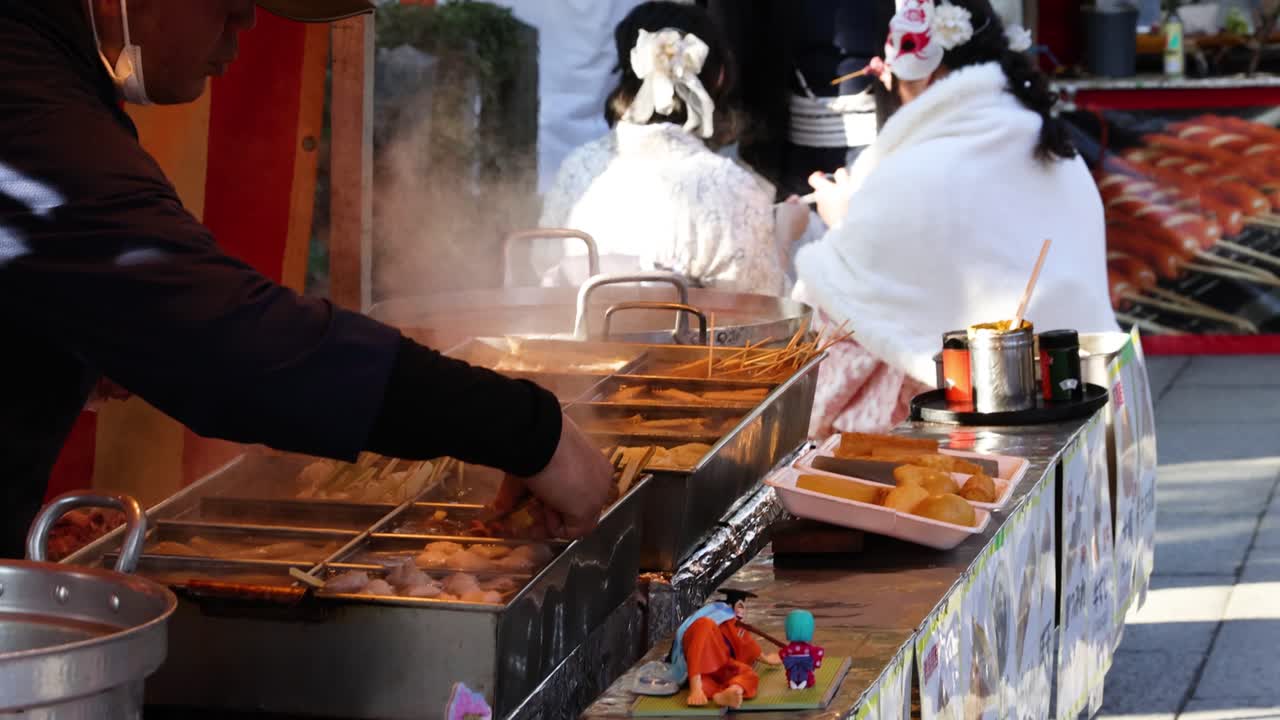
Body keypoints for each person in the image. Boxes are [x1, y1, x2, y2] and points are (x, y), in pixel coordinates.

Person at [0, 0, 614, 559]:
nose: (246, 26)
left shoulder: (51, 69)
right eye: (230, 4)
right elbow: (229, 345)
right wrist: (526, 429)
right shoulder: (27, 104)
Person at [794, 0, 1119, 438]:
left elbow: (838, 327)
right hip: (1086, 396)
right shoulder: (1055, 147)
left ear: (922, 71)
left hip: (979, 422)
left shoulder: (914, 172)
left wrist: (843, 222)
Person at [536, 1, 806, 295]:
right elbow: (761, 305)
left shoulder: (578, 170)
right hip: (689, 328)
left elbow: (541, 265)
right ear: (719, 77)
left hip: (574, 325)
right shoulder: (732, 188)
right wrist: (783, 235)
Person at [668, 588, 782, 708]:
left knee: (749, 675)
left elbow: (746, 644)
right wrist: (695, 686)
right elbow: (695, 650)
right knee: (704, 626)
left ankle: (731, 690)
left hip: (723, 664)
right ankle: (708, 688)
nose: (742, 611)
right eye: (740, 606)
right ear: (732, 606)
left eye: (743, 607)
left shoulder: (734, 625)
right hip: (701, 668)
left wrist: (767, 659)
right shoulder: (705, 623)